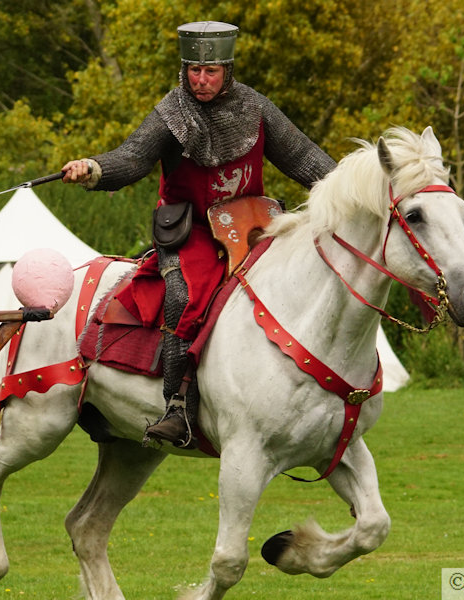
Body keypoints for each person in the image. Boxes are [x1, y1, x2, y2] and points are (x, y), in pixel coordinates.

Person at [62, 21, 337, 449]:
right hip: (189, 232)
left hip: (252, 228)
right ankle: (176, 406)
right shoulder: (172, 114)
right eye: (193, 71)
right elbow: (132, 158)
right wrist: (93, 169)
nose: (201, 80)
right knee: (181, 297)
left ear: (228, 69)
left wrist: (351, 187)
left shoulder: (256, 108)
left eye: (210, 72)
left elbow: (302, 156)